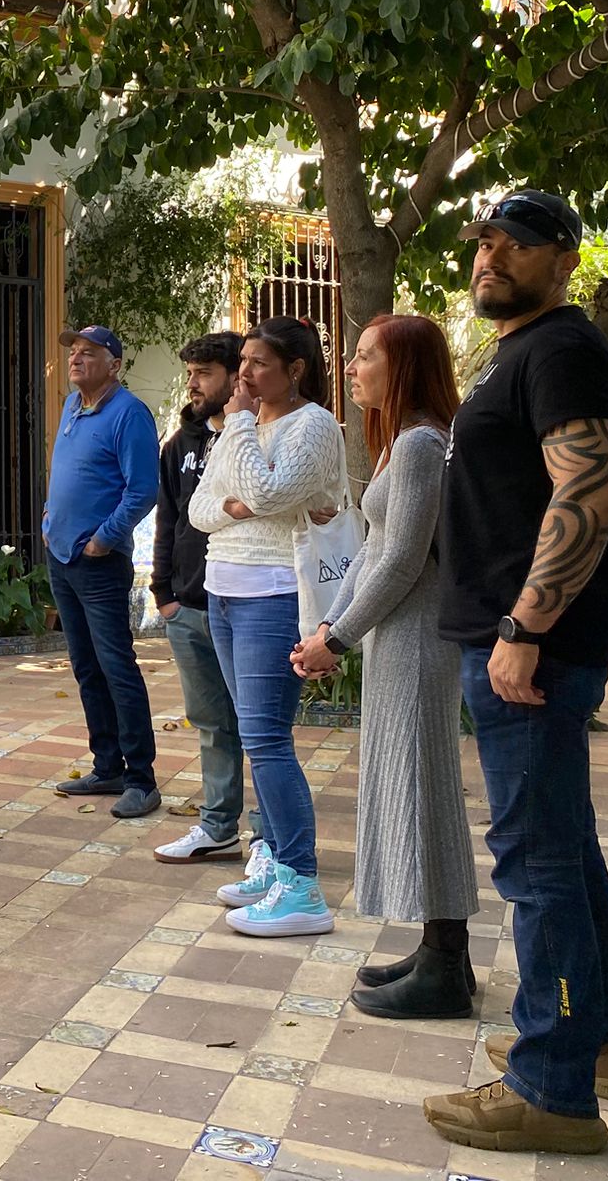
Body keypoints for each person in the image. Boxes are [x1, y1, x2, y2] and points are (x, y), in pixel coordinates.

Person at [423, 191, 608, 1157]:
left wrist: (524, 625)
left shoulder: (560, 349)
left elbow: (591, 488)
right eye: (482, 242)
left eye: (513, 244)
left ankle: (551, 1088)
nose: (489, 256)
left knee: (538, 863)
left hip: (531, 649)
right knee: (565, 847)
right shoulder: (528, 351)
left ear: (563, 257)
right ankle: (604, 1043)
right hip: (525, 644)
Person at [291, 314, 476, 1016]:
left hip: (420, 642)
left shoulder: (425, 443)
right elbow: (374, 549)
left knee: (423, 788)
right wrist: (332, 627)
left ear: (404, 367)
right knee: (408, 786)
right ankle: (438, 952)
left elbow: (402, 560)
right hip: (396, 639)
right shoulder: (403, 443)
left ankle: (446, 961)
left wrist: (334, 641)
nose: (352, 366)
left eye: (366, 356)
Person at [189, 316, 345, 938]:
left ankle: (302, 884)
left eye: (258, 363)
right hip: (222, 590)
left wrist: (245, 429)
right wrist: (236, 505)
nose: (244, 374)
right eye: (244, 362)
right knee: (254, 736)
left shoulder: (313, 425)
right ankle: (275, 862)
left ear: (295, 369)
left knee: (267, 739)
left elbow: (272, 493)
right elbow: (201, 508)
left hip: (275, 595)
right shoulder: (242, 428)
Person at [43, 325, 162, 819]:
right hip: (61, 557)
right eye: (73, 352)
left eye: (88, 353)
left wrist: (102, 539)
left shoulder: (129, 413)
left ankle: (142, 778)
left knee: (117, 667)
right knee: (86, 667)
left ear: (113, 364)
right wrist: (51, 523)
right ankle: (107, 765)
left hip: (98, 563)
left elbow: (142, 491)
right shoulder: (73, 407)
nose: (76, 359)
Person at [151, 331, 255, 863]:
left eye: (204, 373)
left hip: (249, 602)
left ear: (237, 376)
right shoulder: (179, 446)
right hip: (189, 606)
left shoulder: (261, 435)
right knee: (213, 722)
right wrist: (163, 593)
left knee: (259, 724)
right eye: (189, 372)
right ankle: (218, 827)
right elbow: (167, 520)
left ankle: (270, 833)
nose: (192, 383)